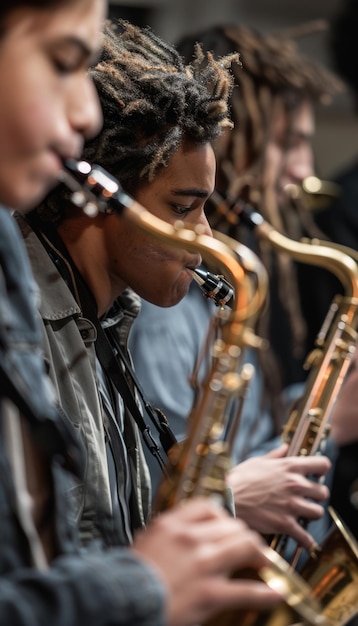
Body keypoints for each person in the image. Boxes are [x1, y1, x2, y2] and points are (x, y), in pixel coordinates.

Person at [0, 5, 282, 626]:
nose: (206, 235)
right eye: (183, 207)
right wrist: (144, 586)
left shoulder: (107, 323)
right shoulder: (40, 324)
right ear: (101, 199)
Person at [129, 22, 341, 555]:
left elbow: (235, 440)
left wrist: (317, 398)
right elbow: (170, 489)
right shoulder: (161, 304)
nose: (304, 171)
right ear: (233, 142)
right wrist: (331, 419)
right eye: (289, 144)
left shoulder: (227, 279)